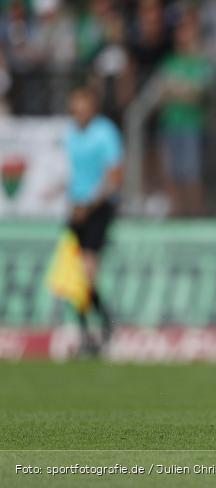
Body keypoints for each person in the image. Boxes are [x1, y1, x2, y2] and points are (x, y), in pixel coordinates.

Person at [64, 88, 122, 354]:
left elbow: (114, 178)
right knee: (75, 274)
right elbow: (69, 171)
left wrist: (89, 205)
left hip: (97, 209)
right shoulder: (70, 134)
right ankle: (88, 332)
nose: (77, 112)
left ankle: (102, 324)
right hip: (75, 208)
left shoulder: (105, 133)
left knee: (86, 271)